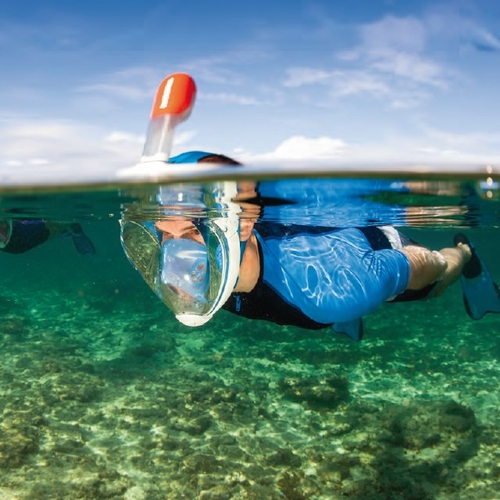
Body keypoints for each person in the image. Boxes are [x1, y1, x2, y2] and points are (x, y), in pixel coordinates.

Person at [120, 151, 500, 340]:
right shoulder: (216, 272)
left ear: (245, 219)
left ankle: (467, 254)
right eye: (165, 235)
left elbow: (422, 264)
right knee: (331, 304)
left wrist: (440, 261)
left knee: (434, 283)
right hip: (321, 277)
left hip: (373, 252)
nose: (174, 259)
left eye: (189, 233)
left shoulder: (341, 288)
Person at [0, 219, 95, 255]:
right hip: (14, 237)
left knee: (45, 230)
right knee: (48, 225)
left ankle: (64, 231)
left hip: (12, 239)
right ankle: (69, 227)